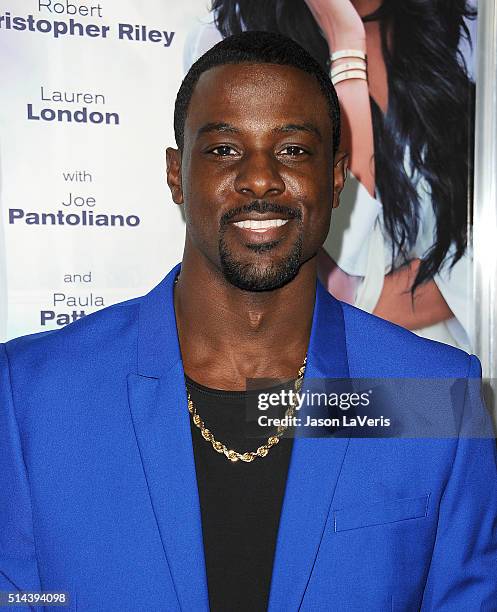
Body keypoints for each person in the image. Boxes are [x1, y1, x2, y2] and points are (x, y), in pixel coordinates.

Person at [1, 31, 496, 612]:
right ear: (175, 174)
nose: (259, 178)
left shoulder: (434, 396)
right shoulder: (32, 392)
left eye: (292, 149)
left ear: (335, 177)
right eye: (223, 149)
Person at [185, 0, 477, 352]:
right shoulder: (226, 45)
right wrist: (346, 45)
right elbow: (344, 275)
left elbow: (480, 278)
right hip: (295, 380)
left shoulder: (451, 60)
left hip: (441, 375)